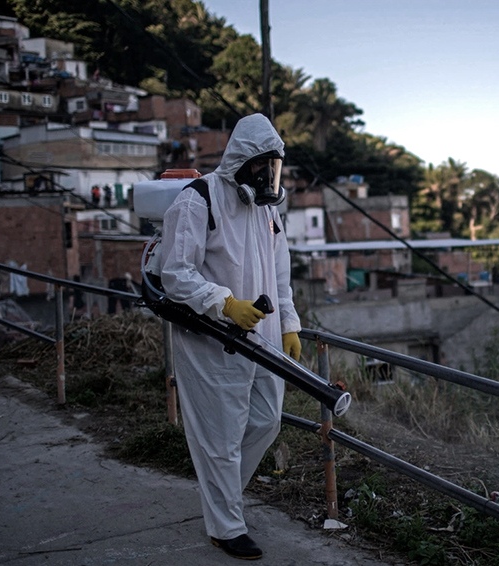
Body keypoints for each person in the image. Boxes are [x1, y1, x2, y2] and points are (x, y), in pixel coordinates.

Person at [158, 113, 301, 561]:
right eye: (261, 167)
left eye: (273, 168)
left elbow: (281, 273)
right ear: (242, 161)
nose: (267, 177)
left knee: (265, 420)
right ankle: (226, 527)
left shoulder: (267, 211)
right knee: (221, 435)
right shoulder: (197, 201)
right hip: (212, 338)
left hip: (263, 336)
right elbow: (175, 273)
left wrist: (291, 322)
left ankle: (221, 499)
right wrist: (223, 303)